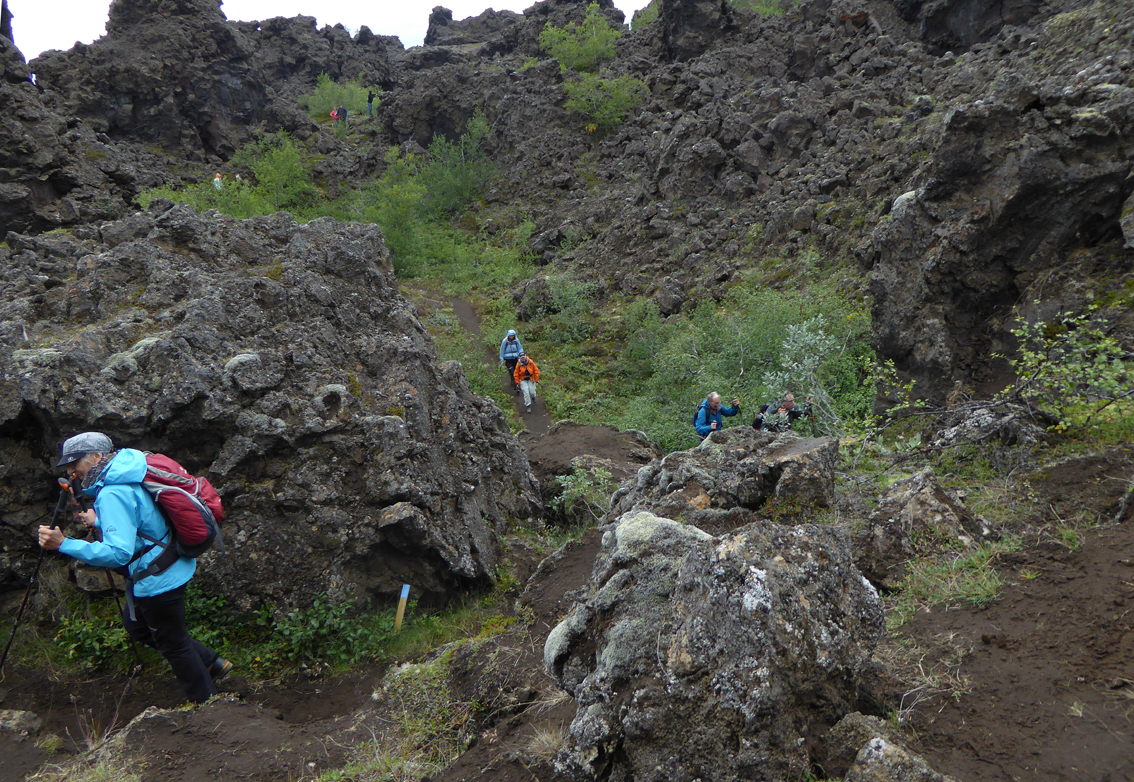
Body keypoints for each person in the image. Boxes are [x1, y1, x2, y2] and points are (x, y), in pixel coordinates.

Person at [38, 433, 231, 704]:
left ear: (96, 457)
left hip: (158, 579)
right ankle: (212, 663)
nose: (70, 471)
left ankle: (208, 704)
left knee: (174, 644)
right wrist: (100, 522)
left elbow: (118, 553)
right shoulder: (128, 472)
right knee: (137, 626)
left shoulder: (112, 491)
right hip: (169, 564)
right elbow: (142, 521)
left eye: (74, 463)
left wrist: (63, 543)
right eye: (67, 466)